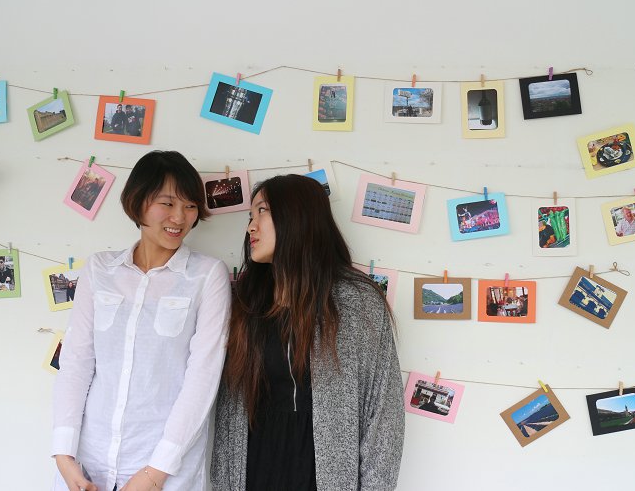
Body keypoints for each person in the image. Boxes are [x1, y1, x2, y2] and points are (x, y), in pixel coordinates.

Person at [51, 150, 231, 491]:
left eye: (190, 206)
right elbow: (76, 362)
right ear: (137, 202)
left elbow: (203, 377)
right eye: (167, 203)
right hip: (88, 464)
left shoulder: (207, 275)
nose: (180, 217)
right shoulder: (100, 269)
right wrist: (64, 455)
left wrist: (154, 473)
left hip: (165, 469)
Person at [211, 174, 404, 491]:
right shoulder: (246, 301)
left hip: (326, 472)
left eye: (262, 211)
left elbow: (383, 414)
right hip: (256, 464)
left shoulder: (356, 302)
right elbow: (229, 408)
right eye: (250, 216)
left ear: (296, 216)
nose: (251, 227)